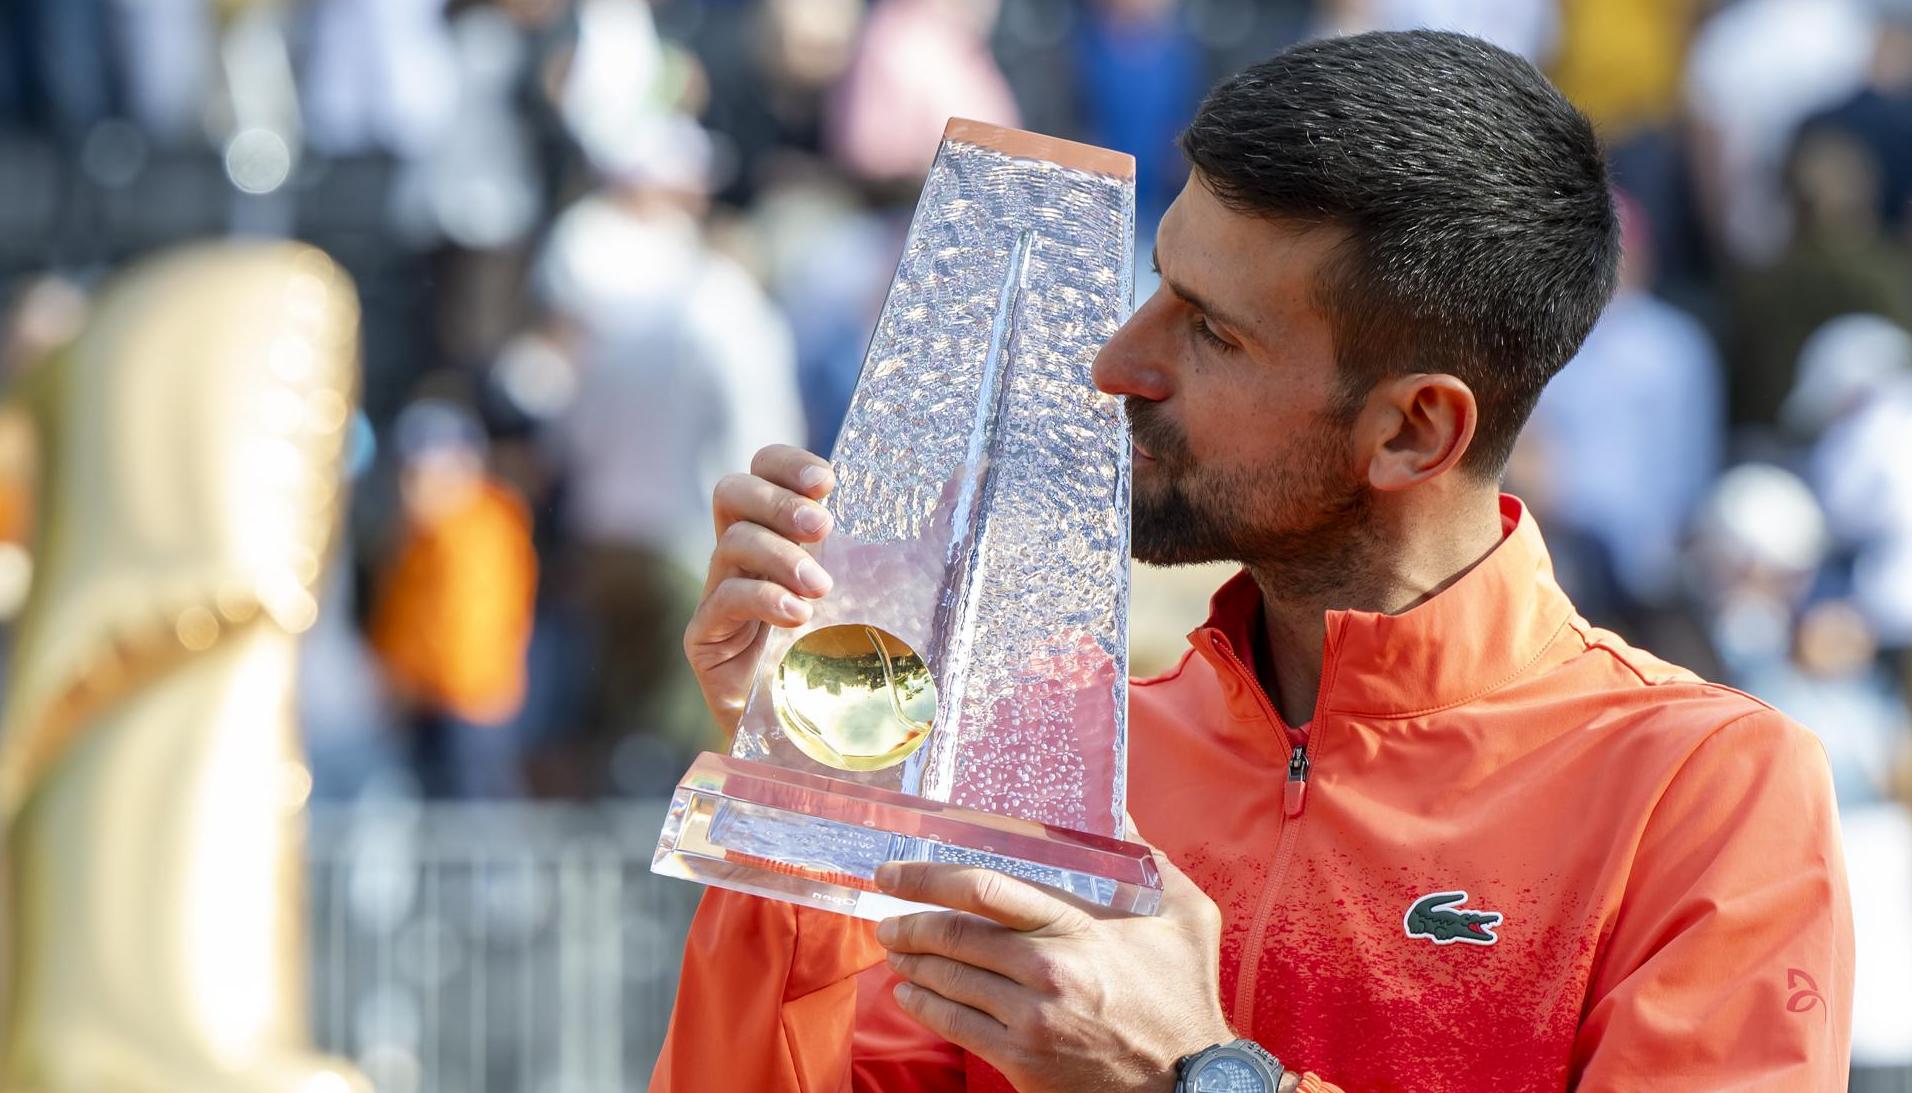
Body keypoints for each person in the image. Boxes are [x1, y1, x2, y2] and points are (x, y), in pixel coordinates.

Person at [654, 31, 1853, 1093]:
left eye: (1210, 330)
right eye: (1155, 282)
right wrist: (805, 793)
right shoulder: (1043, 752)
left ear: (1412, 430)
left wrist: (1195, 1077)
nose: (1116, 361)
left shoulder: (1701, 793)